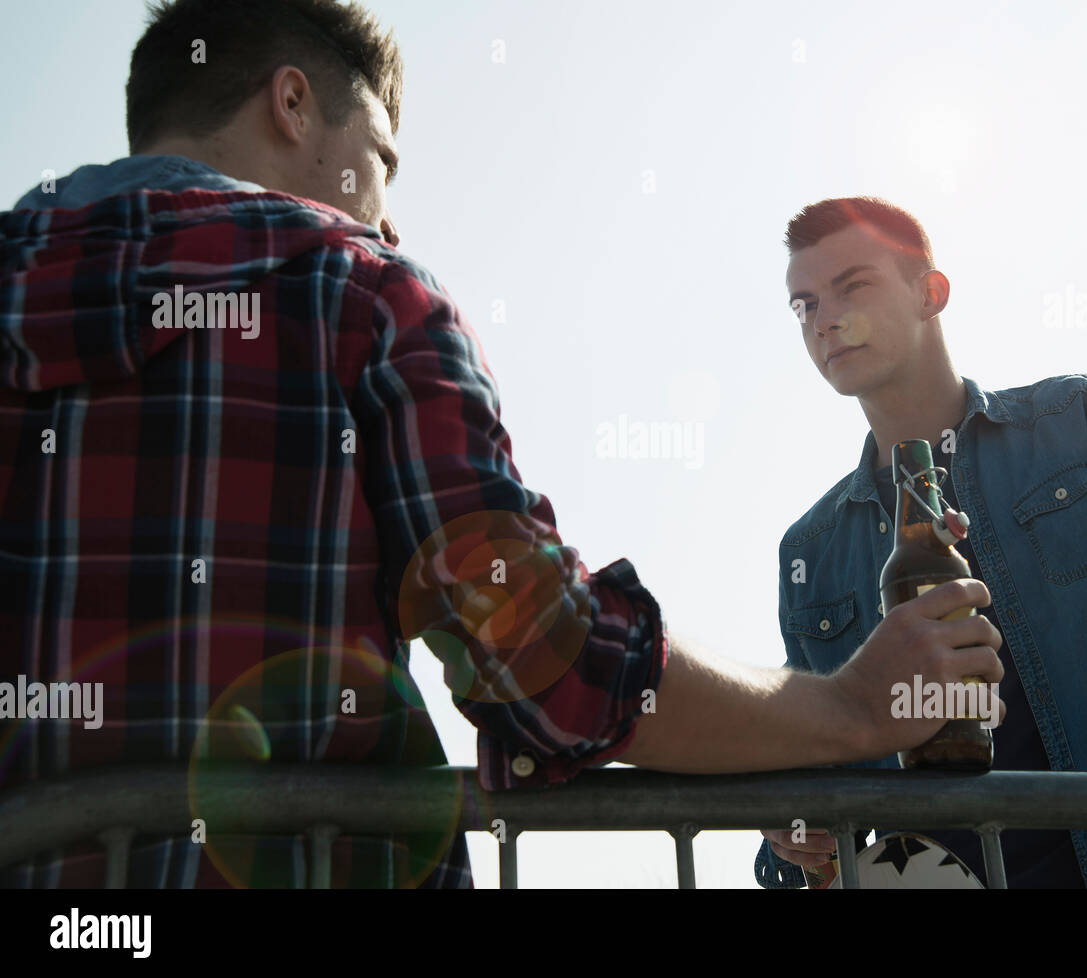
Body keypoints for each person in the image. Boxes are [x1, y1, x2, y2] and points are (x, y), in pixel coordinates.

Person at [0, 2, 1004, 887]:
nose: (383, 208)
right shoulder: (358, 297)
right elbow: (553, 667)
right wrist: (854, 708)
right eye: (380, 158)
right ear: (292, 104)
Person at [754, 196, 1087, 889]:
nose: (824, 319)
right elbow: (815, 755)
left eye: (851, 287)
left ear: (931, 292)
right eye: (803, 305)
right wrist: (790, 838)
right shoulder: (813, 547)